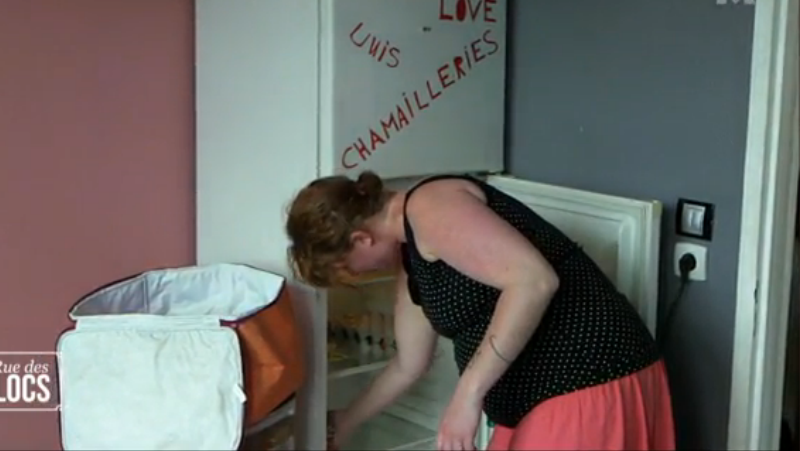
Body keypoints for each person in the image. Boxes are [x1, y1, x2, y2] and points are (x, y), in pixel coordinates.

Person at [286, 171, 676, 451]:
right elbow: (409, 363)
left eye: (348, 267)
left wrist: (465, 399)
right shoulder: (411, 256)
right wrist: (346, 421)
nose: (358, 275)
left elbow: (533, 282)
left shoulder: (431, 206)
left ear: (361, 239)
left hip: (590, 375)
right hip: (537, 396)